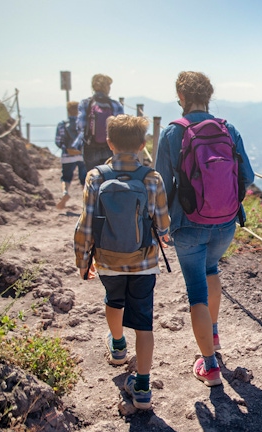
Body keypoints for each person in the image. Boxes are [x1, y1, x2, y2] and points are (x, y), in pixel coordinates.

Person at [156, 71, 254, 387]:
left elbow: (159, 185)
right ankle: (212, 332)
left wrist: (162, 223)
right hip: (226, 223)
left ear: (181, 97)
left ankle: (210, 367)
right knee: (212, 269)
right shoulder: (228, 129)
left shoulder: (172, 133)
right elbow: (248, 177)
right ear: (208, 96)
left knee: (196, 290)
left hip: (189, 224)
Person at [74, 114, 170, 409]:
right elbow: (164, 225)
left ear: (109, 142)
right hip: (143, 262)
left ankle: (117, 347)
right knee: (143, 322)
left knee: (113, 300)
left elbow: (86, 223)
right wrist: (162, 235)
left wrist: (83, 259)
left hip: (108, 259)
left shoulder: (96, 176)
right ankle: (142, 387)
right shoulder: (152, 178)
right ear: (143, 144)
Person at [72, 73, 124, 169]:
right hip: (110, 147)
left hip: (90, 146)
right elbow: (121, 128)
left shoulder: (85, 103)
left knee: (92, 176)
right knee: (109, 176)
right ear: (107, 88)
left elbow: (80, 125)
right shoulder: (116, 105)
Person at [54, 101, 87, 209]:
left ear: (68, 110)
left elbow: (58, 141)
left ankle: (65, 193)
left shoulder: (62, 124)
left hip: (67, 156)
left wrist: (66, 149)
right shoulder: (83, 124)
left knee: (66, 177)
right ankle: (86, 200)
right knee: (84, 178)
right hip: (82, 155)